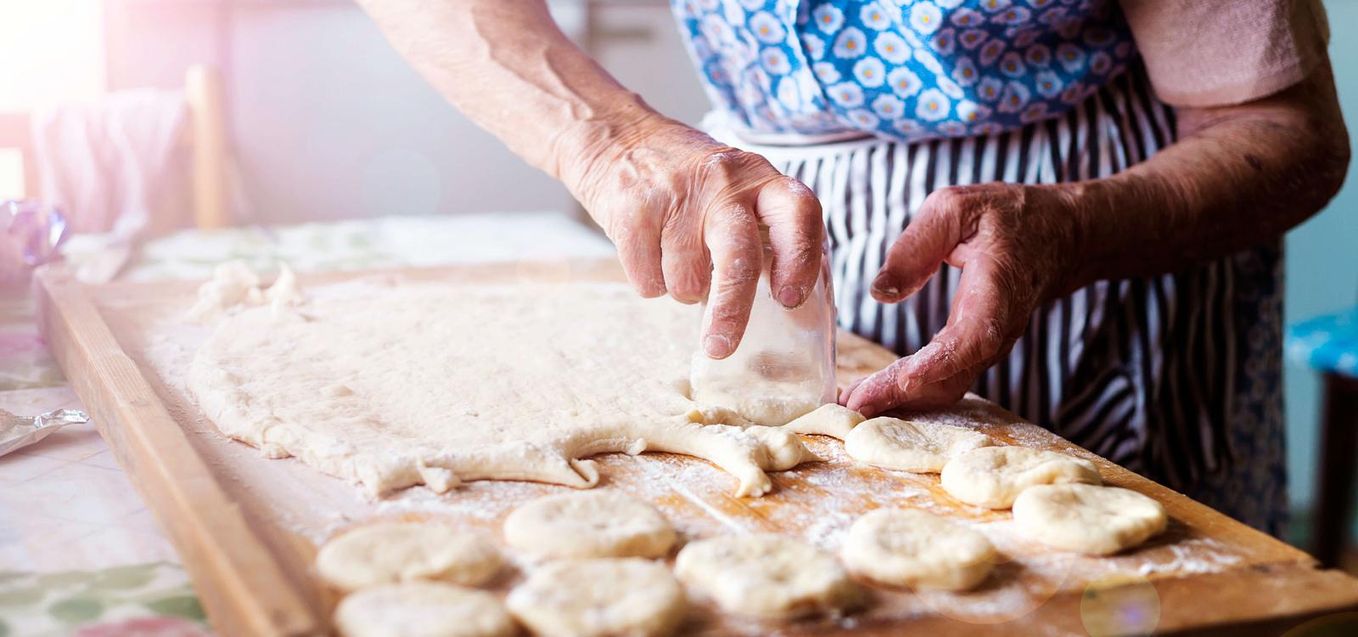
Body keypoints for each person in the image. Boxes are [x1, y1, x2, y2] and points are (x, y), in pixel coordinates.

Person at [356, 0, 1348, 533]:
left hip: (1107, 246)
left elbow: (1280, 131)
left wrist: (1079, 229)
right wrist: (609, 145)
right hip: (765, 210)